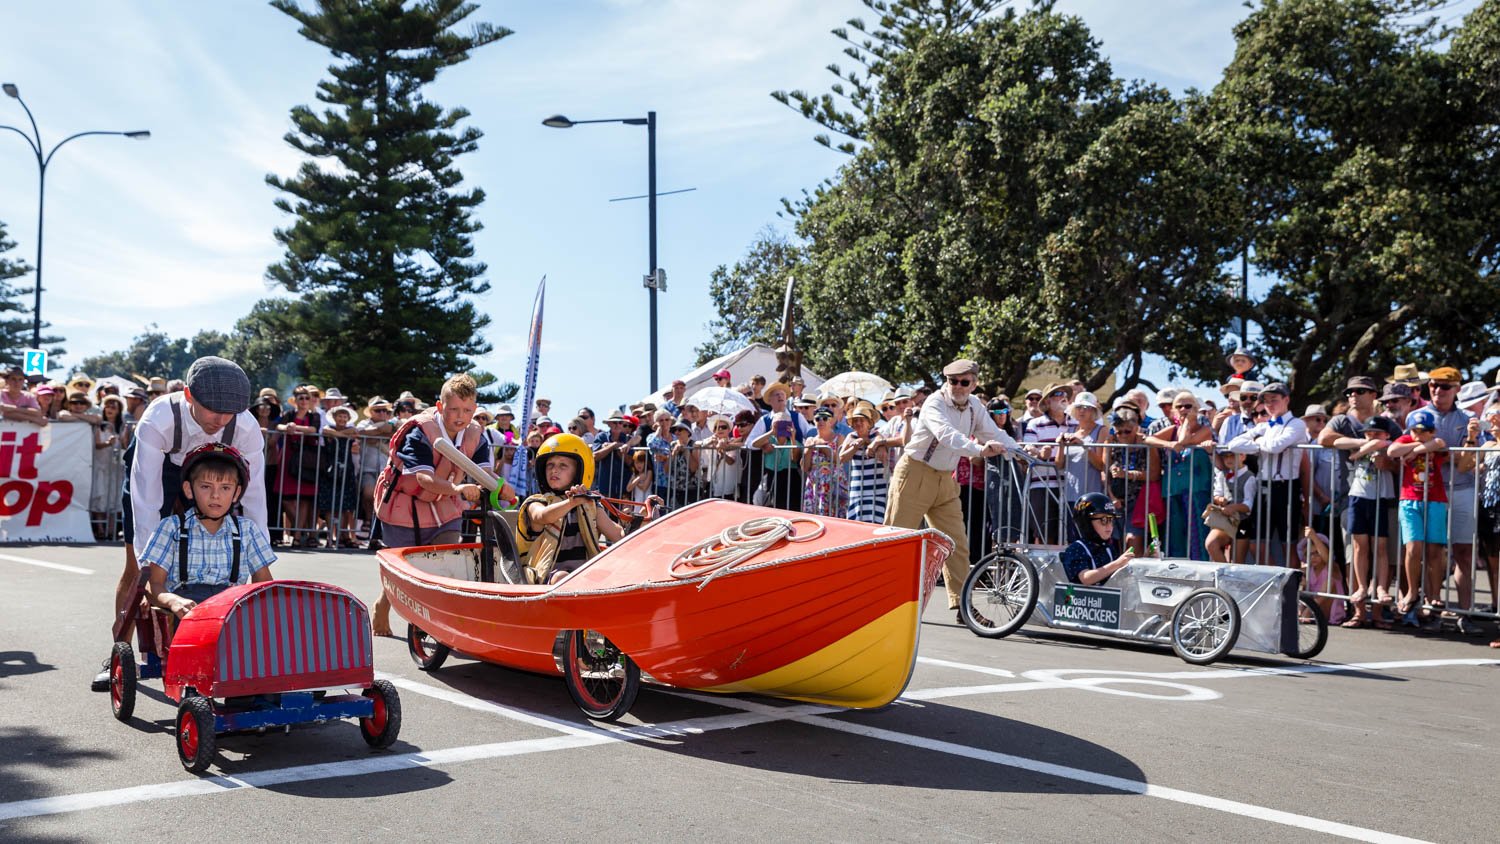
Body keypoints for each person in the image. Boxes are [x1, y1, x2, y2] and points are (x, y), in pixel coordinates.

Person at [94, 356, 266, 691]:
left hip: (211, 473)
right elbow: (146, 498)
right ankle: (119, 652)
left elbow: (255, 496)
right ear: (188, 395)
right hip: (161, 469)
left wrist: (258, 554)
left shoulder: (244, 428)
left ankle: (208, 652)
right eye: (212, 410)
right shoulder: (159, 418)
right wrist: (149, 564)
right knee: (135, 566)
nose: (220, 419)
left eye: (229, 412)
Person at [371, 374, 509, 635]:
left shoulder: (476, 436)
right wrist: (458, 489)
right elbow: (423, 479)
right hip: (405, 503)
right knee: (404, 566)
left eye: (467, 410)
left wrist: (502, 487)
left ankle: (433, 623)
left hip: (444, 504)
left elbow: (484, 472)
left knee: (444, 559)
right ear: (439, 406)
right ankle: (383, 605)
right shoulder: (419, 431)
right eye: (454, 409)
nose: (461, 416)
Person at [885, 358, 1017, 615]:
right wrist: (979, 449)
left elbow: (994, 433)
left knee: (957, 544)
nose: (957, 386)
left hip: (946, 479)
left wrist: (1020, 450)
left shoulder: (975, 406)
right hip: (915, 473)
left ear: (974, 384)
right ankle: (883, 601)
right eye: (952, 381)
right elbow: (946, 435)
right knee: (897, 541)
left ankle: (963, 606)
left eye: (964, 382)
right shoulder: (935, 402)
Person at [138, 444, 276, 618]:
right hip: (186, 613)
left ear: (236, 493)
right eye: (205, 486)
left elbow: (263, 584)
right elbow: (153, 584)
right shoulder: (171, 528)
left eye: (225, 488)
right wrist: (173, 601)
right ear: (189, 490)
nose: (215, 495)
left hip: (230, 612)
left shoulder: (247, 530)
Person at [518, 433, 624, 584]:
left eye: (563, 465)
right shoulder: (535, 502)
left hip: (583, 575)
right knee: (562, 578)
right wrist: (571, 503)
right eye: (550, 465)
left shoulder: (589, 505)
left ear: (578, 472)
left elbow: (617, 535)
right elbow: (543, 517)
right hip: (545, 577)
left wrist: (644, 521)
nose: (554, 470)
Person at [1225, 382, 1308, 564]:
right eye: (1266, 401)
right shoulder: (1265, 426)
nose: (1270, 405)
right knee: (1257, 543)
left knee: (1288, 544)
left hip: (1286, 487)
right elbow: (1233, 444)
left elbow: (1275, 446)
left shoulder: (1297, 424)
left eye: (1274, 400)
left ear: (1286, 400)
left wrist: (1258, 443)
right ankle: (1269, 584)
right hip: (1263, 487)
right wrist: (1261, 443)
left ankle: (1291, 588)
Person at [1387, 408, 1449, 625]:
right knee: (1413, 547)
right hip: (1410, 499)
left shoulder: (1435, 440)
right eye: (1415, 430)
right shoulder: (1406, 439)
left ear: (1431, 430)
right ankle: (1413, 592)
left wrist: (1416, 451)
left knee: (1434, 550)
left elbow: (1440, 444)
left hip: (1435, 500)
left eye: (1424, 431)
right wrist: (1417, 447)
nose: (1419, 434)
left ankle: (1434, 595)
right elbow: (1392, 451)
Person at [1341, 415, 1399, 628]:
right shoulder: (1363, 442)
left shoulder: (1389, 445)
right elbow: (1335, 441)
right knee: (1359, 546)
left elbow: (1383, 444)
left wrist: (1361, 452)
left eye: (1377, 432)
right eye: (1368, 432)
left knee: (1380, 547)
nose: (1372, 436)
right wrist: (1361, 446)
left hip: (1381, 498)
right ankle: (1362, 588)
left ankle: (1381, 589)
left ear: (1386, 433)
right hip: (1358, 496)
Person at [1023, 382, 1079, 544]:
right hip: (1041, 485)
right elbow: (1027, 452)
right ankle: (1042, 569)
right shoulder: (1034, 424)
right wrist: (1040, 455)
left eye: (1064, 395)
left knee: (1069, 534)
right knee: (1044, 534)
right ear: (1047, 401)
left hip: (1070, 487)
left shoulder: (1076, 424)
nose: (1063, 398)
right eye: (1058, 394)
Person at [274, 386, 325, 546]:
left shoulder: (314, 415)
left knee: (304, 499)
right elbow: (279, 426)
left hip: (306, 460)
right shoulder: (289, 414)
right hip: (289, 457)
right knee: (287, 498)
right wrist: (286, 427)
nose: (303, 401)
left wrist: (294, 428)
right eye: (300, 398)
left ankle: (297, 536)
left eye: (306, 398)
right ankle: (302, 530)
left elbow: (313, 429)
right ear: (295, 401)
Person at [747, 382, 810, 510]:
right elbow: (750, 443)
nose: (780, 396)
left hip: (793, 472)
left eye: (782, 394)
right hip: (771, 473)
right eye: (776, 394)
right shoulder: (764, 420)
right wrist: (764, 444)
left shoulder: (797, 417)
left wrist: (794, 440)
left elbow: (809, 437)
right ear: (769, 400)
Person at [1060, 493, 1134, 586]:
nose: (1109, 526)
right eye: (1104, 520)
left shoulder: (1109, 548)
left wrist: (1143, 559)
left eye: (1111, 520)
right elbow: (1085, 578)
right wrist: (1118, 563)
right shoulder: (1076, 549)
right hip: (1083, 599)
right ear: (1087, 523)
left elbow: (1118, 575)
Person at [319, 405, 362, 548]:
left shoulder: (350, 430)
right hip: (330, 470)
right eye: (340, 416)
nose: (342, 419)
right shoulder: (328, 429)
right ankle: (330, 537)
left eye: (345, 416)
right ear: (334, 417)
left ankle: (342, 536)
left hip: (346, 470)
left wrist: (339, 434)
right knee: (330, 505)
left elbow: (354, 431)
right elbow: (325, 431)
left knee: (345, 505)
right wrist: (341, 435)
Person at [840, 401, 890, 523]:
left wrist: (868, 442)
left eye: (861, 420)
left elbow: (879, 441)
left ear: (869, 423)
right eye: (855, 420)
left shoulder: (877, 434)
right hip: (858, 488)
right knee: (857, 523)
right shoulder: (851, 436)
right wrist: (855, 447)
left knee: (877, 522)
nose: (858, 423)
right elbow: (842, 458)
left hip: (877, 487)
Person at [90, 395, 131, 541]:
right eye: (107, 406)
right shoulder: (98, 426)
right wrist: (108, 443)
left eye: (114, 406)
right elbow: (96, 444)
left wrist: (121, 441)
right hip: (101, 465)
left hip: (116, 467)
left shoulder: (122, 426)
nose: (110, 409)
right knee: (100, 496)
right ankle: (100, 529)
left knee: (115, 498)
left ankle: (111, 530)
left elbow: (126, 446)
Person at [1205, 450, 1256, 563]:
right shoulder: (1222, 474)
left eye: (1232, 456)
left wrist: (1234, 507)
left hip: (1242, 522)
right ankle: (1225, 575)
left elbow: (1249, 505)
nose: (1228, 459)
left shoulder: (1249, 477)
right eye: (1225, 456)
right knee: (1211, 544)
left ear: (1242, 456)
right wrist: (1219, 499)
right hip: (1225, 521)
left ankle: (1231, 577)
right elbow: (1216, 493)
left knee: (1237, 562)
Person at [801, 407, 847, 517]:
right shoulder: (810, 439)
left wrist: (822, 446)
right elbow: (805, 467)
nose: (821, 421)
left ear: (831, 421)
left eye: (825, 418)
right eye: (817, 419)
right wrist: (808, 450)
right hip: (815, 483)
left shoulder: (839, 437)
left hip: (834, 482)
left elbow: (839, 459)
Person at [1297, 527, 1346, 626]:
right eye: (1309, 554)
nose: (1313, 557)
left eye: (1317, 553)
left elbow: (1328, 559)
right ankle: (1300, 611)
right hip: (1314, 611)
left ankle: (1308, 611)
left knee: (1330, 582)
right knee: (1300, 580)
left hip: (1329, 611)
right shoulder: (1308, 570)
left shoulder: (1333, 567)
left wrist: (1314, 537)